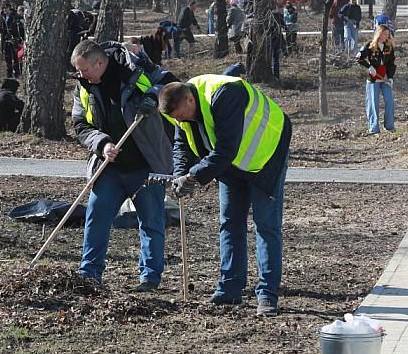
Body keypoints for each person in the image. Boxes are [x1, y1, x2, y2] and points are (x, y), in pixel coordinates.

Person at [157, 75, 291, 317]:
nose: (180, 120)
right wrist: (180, 175)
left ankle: (267, 295)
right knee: (229, 223)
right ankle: (230, 288)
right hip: (229, 167)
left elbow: (227, 149)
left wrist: (194, 177)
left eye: (180, 115)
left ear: (189, 99)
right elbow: (181, 145)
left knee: (266, 226)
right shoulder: (179, 106)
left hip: (267, 158)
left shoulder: (226, 95)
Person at [70, 40, 175, 291]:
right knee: (96, 218)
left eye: (83, 69)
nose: (80, 75)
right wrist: (102, 144)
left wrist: (152, 97)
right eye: (78, 70)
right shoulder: (83, 87)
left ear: (99, 63)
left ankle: (150, 277)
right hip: (109, 167)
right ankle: (89, 273)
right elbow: (80, 125)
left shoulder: (134, 70)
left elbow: (170, 84)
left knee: (151, 221)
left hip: (147, 165)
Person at [356, 24, 396, 135]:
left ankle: (390, 126)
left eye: (387, 35)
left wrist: (391, 77)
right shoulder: (370, 45)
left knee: (390, 101)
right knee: (373, 103)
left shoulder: (389, 47)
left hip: (385, 79)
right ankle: (373, 128)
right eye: (384, 34)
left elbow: (392, 64)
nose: (385, 37)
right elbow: (359, 58)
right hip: (373, 79)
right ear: (378, 33)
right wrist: (369, 67)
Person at [0, 3, 24, 78]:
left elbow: (20, 29)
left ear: (9, 8)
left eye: (5, 8)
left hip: (14, 40)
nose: (4, 10)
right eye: (3, 8)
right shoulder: (3, 16)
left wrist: (18, 38)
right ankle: (9, 74)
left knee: (16, 58)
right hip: (5, 40)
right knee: (8, 58)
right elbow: (1, 29)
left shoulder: (15, 17)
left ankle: (17, 74)